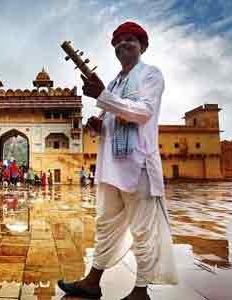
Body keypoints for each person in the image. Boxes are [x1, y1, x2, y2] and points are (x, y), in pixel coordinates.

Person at [58, 21, 177, 300]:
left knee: (142, 231)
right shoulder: (114, 82)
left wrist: (102, 95)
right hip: (111, 167)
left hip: (139, 167)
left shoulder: (150, 75)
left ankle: (140, 291)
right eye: (118, 41)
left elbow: (143, 112)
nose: (123, 44)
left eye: (130, 40)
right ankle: (92, 281)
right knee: (105, 224)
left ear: (143, 46)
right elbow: (114, 117)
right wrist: (99, 125)